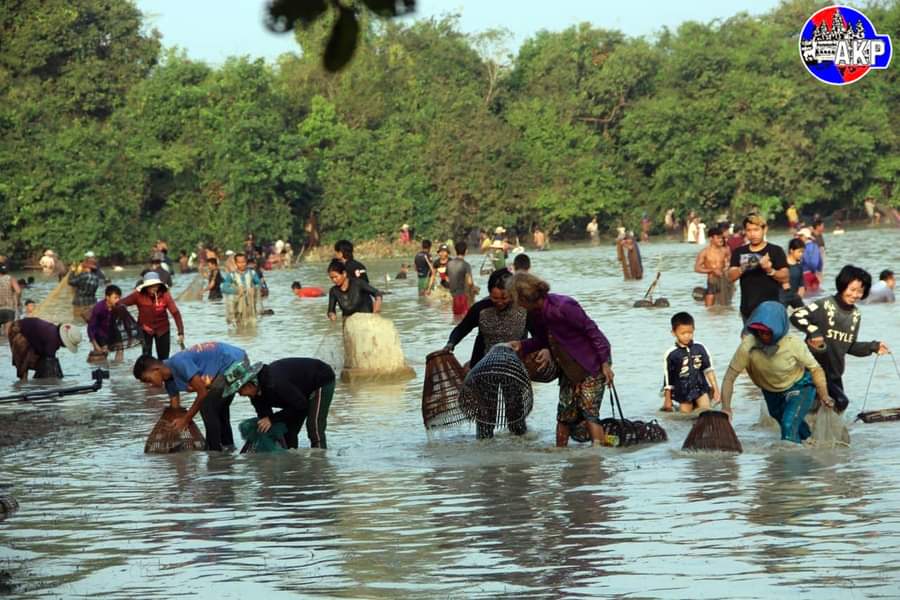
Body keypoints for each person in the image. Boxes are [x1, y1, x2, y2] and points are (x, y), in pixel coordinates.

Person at [507, 273, 615, 447]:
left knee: (590, 412)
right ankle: (560, 453)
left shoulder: (564, 306)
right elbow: (543, 340)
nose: (516, 304)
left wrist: (605, 363)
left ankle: (597, 457)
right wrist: (521, 345)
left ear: (525, 297)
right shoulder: (535, 314)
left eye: (516, 299)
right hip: (568, 368)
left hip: (591, 365)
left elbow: (592, 331)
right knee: (564, 414)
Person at [720, 301, 832, 443]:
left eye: (767, 332)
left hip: (799, 386)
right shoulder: (748, 346)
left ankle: (787, 461)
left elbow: (815, 368)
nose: (762, 335)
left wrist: (824, 395)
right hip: (771, 391)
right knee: (792, 426)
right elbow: (729, 378)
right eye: (759, 331)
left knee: (788, 424)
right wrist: (726, 408)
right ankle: (810, 449)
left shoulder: (793, 343)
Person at [790, 266, 889, 413]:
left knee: (836, 408)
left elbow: (849, 346)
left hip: (834, 374)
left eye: (860, 291)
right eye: (852, 289)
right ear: (842, 286)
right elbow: (796, 316)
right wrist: (814, 331)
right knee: (839, 402)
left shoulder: (855, 315)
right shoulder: (824, 305)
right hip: (813, 369)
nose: (855, 295)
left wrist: (873, 347)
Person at [133, 342, 249, 451]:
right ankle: (228, 449)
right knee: (218, 407)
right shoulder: (169, 382)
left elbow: (202, 392)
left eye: (148, 380)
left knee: (207, 406)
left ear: (156, 370)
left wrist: (186, 419)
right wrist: (171, 430)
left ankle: (215, 453)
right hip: (226, 366)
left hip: (235, 361)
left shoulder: (179, 363)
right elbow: (175, 408)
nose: (150, 384)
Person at [234, 358, 337, 449]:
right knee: (289, 431)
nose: (239, 394)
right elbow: (265, 416)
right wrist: (267, 423)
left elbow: (301, 405)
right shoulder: (255, 395)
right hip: (297, 395)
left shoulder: (275, 383)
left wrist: (272, 419)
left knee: (313, 426)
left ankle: (320, 461)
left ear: (249, 385)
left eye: (239, 391)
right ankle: (292, 465)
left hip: (320, 379)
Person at [445, 268, 532, 368]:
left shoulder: (524, 308)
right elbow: (462, 329)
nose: (499, 302)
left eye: (504, 298)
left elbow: (539, 335)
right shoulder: (480, 309)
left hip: (515, 366)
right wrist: (451, 343)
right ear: (489, 293)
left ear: (513, 293)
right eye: (495, 298)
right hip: (482, 366)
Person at [727, 214, 789, 322]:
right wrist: (744, 267)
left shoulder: (775, 251)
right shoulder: (739, 252)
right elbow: (731, 277)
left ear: (764, 230)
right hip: (747, 309)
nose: (752, 234)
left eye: (756, 230)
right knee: (747, 338)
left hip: (770, 308)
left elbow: (785, 277)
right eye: (749, 230)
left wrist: (769, 270)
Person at [661, 312, 719, 413]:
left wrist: (716, 390)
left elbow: (709, 370)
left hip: (701, 388)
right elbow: (668, 379)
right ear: (674, 333)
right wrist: (667, 399)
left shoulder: (700, 348)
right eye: (683, 333)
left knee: (706, 412)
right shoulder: (671, 354)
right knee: (685, 417)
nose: (687, 336)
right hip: (682, 391)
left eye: (690, 333)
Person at [121, 272, 185, 360]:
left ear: (159, 285)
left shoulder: (165, 295)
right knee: (146, 357)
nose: (154, 288)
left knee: (164, 358)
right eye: (150, 286)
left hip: (163, 329)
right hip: (145, 329)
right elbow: (121, 304)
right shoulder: (137, 295)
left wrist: (180, 332)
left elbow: (175, 313)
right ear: (146, 286)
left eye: (156, 285)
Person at [8, 318, 81, 380]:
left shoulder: (54, 333)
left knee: (35, 361)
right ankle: (22, 386)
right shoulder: (53, 340)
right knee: (24, 364)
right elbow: (48, 360)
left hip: (29, 335)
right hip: (19, 331)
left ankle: (25, 384)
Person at [87, 285, 140, 362]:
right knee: (102, 353)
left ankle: (117, 368)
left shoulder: (119, 307)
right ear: (107, 297)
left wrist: (130, 336)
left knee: (120, 348)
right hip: (100, 333)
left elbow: (127, 321)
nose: (118, 300)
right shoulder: (99, 308)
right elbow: (91, 328)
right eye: (115, 298)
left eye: (119, 297)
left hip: (112, 330)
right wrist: (96, 345)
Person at [694, 227, 732, 307]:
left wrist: (727, 268)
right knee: (710, 309)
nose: (721, 240)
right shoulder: (704, 252)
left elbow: (731, 263)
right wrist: (712, 270)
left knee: (726, 306)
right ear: (711, 238)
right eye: (718, 238)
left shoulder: (726, 250)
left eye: (722, 238)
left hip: (724, 280)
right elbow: (697, 268)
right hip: (712, 281)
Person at [222, 253, 261, 326]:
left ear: (246, 262)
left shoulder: (252, 273)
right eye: (239, 262)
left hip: (251, 304)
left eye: (243, 262)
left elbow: (259, 283)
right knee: (239, 324)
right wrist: (236, 290)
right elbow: (224, 288)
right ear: (236, 263)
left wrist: (254, 288)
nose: (242, 264)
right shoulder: (231, 275)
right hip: (237, 304)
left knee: (252, 323)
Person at [67, 256, 103, 323]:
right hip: (92, 304)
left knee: (78, 322)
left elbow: (70, 281)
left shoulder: (83, 275)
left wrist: (72, 271)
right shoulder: (96, 277)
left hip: (80, 305)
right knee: (90, 323)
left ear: (87, 267)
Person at [447, 241, 475, 318]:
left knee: (456, 318)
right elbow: (470, 282)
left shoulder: (449, 264)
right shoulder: (466, 265)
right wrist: (473, 290)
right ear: (466, 251)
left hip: (453, 296)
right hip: (462, 296)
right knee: (464, 319)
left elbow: (447, 279)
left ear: (456, 251)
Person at [781, 238, 806, 309]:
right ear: (791, 250)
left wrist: (800, 294)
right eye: (799, 252)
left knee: (805, 315)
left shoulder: (799, 266)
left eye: (803, 252)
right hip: (782, 298)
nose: (801, 254)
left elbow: (801, 284)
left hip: (795, 297)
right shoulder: (781, 263)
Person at [797, 227, 823, 294]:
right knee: (816, 294)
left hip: (805, 275)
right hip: (814, 276)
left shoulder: (803, 248)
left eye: (800, 236)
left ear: (805, 237)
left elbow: (807, 261)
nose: (798, 237)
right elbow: (820, 263)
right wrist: (818, 274)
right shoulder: (815, 246)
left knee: (806, 296)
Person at [0, 263, 22, 335]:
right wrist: (18, 302)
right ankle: (6, 346)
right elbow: (18, 291)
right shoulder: (11, 279)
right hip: (9, 309)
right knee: (8, 334)